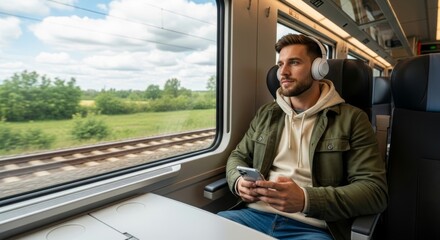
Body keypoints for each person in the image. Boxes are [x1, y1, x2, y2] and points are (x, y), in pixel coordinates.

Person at [218, 34, 388, 240]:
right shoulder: (267, 114)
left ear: (319, 69)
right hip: (252, 215)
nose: (283, 72)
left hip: (313, 228)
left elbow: (374, 191)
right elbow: (237, 156)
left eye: (294, 63)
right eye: (280, 64)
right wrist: (238, 182)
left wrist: (306, 200)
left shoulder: (352, 119)